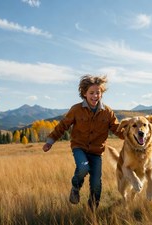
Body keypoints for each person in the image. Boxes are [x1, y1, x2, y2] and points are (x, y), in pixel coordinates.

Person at [42, 75, 123, 211]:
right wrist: (50, 141)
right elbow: (63, 126)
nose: (95, 96)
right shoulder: (76, 110)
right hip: (79, 148)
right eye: (91, 93)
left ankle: (92, 211)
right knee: (83, 168)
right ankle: (76, 186)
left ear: (101, 93)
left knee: (96, 184)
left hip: (97, 152)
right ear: (84, 93)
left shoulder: (107, 112)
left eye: (98, 92)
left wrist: (133, 137)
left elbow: (117, 129)